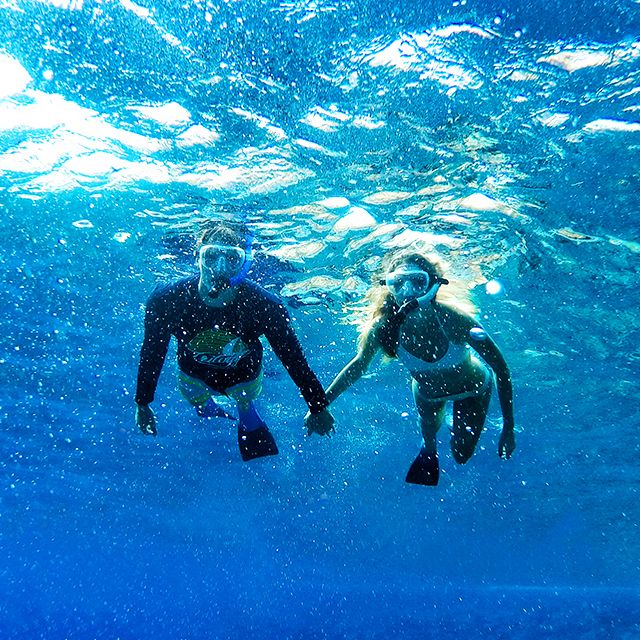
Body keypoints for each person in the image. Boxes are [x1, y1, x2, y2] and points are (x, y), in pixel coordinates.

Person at [305, 249, 515, 485]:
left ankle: (449, 423)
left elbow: (501, 368)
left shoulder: (453, 319)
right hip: (427, 396)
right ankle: (431, 441)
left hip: (473, 390)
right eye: (398, 283)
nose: (408, 292)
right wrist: (319, 406)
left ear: (433, 285)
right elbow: (357, 366)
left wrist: (508, 427)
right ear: (389, 287)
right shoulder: (383, 328)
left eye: (417, 281)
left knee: (461, 455)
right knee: (429, 446)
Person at [135, 220, 335, 461]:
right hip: (193, 374)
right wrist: (143, 403)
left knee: (243, 399)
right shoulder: (166, 300)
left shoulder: (264, 306)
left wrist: (318, 406)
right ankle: (213, 409)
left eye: (231, 259)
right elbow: (152, 353)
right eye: (211, 257)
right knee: (198, 401)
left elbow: (293, 359)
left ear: (243, 265)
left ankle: (244, 411)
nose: (218, 269)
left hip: (244, 377)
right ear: (198, 259)